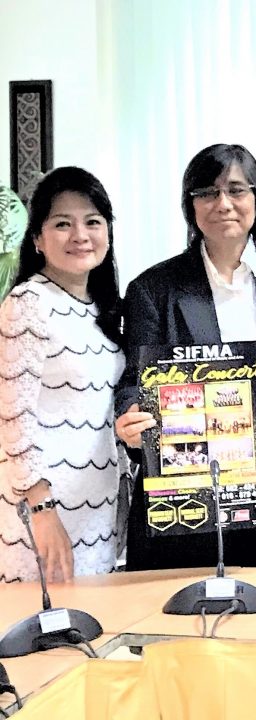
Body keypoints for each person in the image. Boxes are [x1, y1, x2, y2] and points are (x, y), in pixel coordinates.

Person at [114, 144, 256, 570]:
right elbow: (134, 382)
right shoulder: (153, 288)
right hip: (191, 496)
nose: (223, 204)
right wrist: (131, 418)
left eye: (236, 190)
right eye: (207, 193)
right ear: (191, 205)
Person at [0, 167, 124, 582]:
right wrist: (40, 508)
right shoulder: (27, 303)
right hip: (41, 515)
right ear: (37, 238)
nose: (80, 235)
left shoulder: (102, 309)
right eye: (62, 224)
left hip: (96, 508)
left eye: (93, 221)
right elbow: (13, 416)